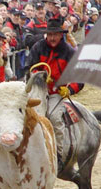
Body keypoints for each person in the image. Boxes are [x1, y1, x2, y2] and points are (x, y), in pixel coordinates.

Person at [25, 18, 84, 160]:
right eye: (49, 34)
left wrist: (70, 90)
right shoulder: (38, 47)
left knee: (55, 118)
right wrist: (39, 77)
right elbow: (28, 68)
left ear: (61, 34)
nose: (52, 38)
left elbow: (80, 77)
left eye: (55, 34)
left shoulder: (69, 51)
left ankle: (57, 155)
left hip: (56, 92)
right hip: (38, 90)